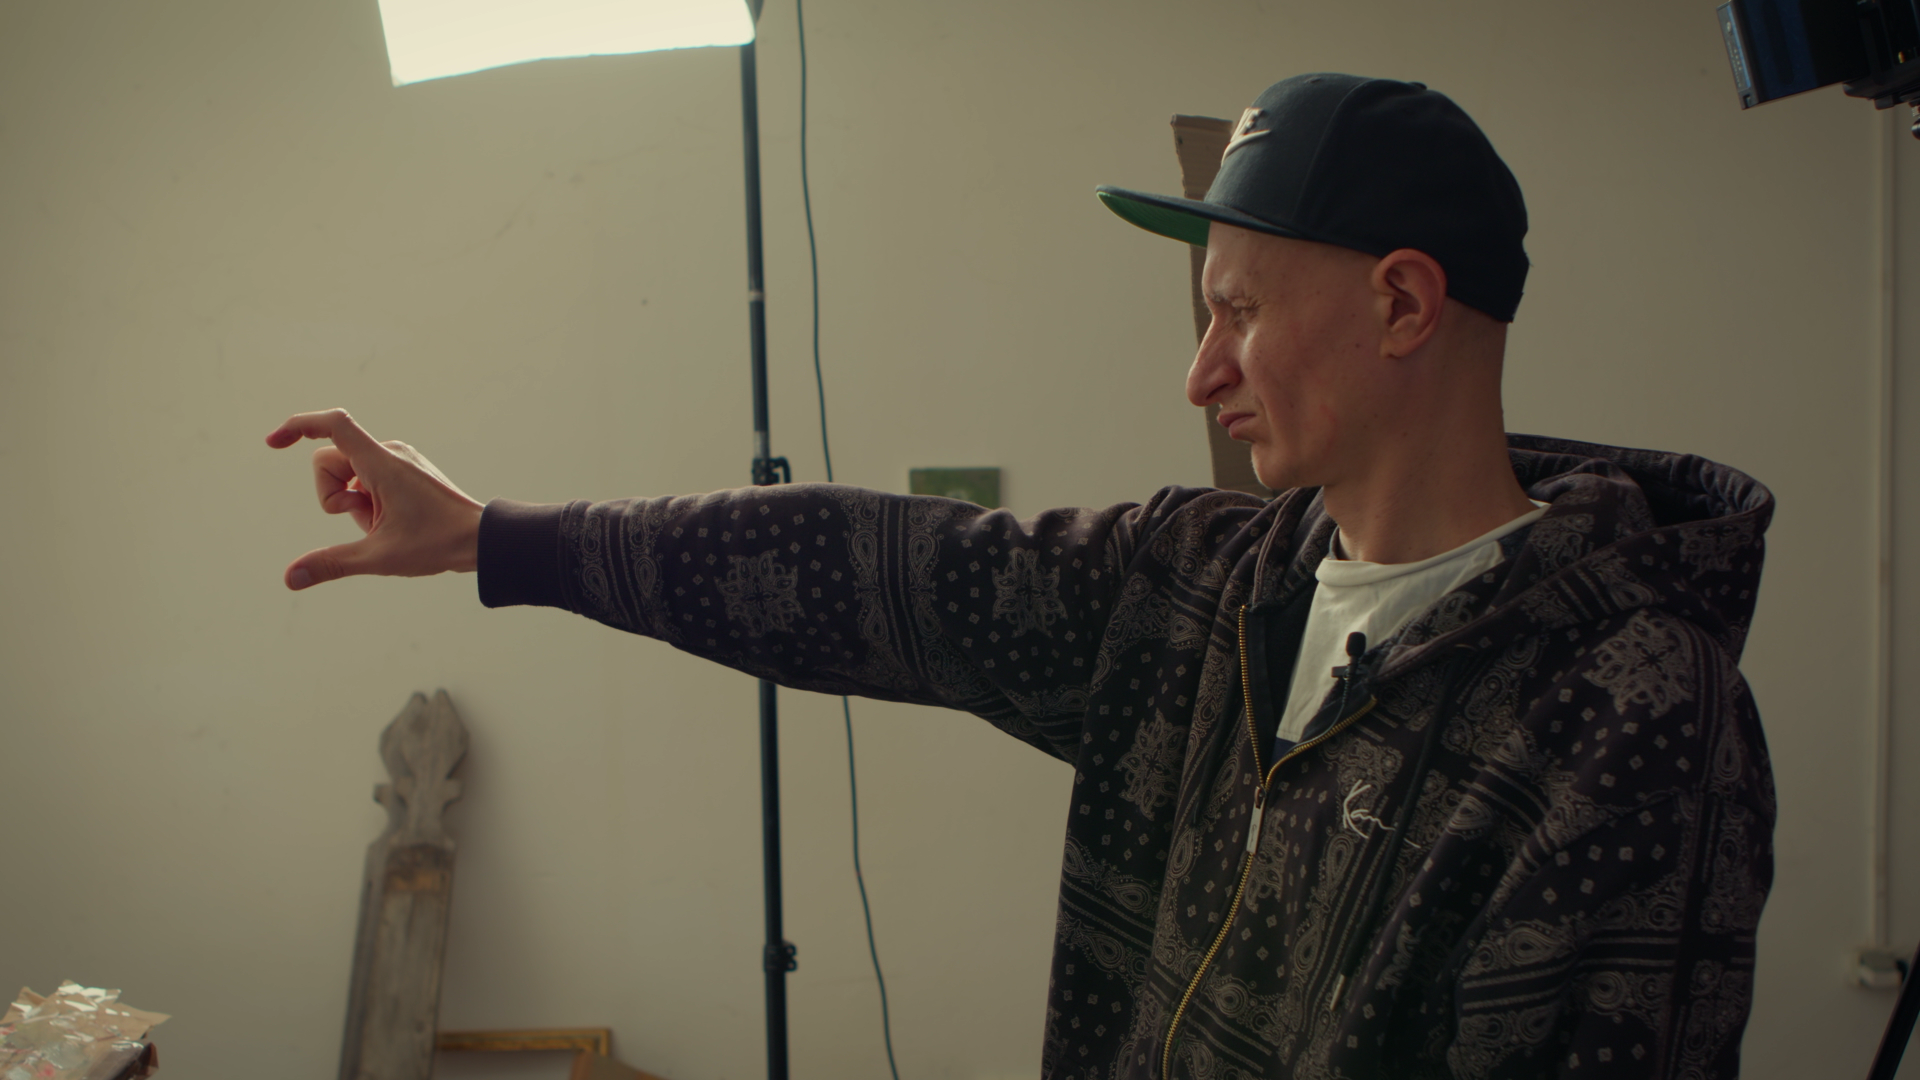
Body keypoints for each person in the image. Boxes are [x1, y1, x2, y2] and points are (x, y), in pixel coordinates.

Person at [267, 74, 1775, 1079]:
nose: (1200, 374)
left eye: (1237, 314)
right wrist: (492, 536)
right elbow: (857, 568)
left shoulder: (1630, 704)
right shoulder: (1205, 584)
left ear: (1399, 303)